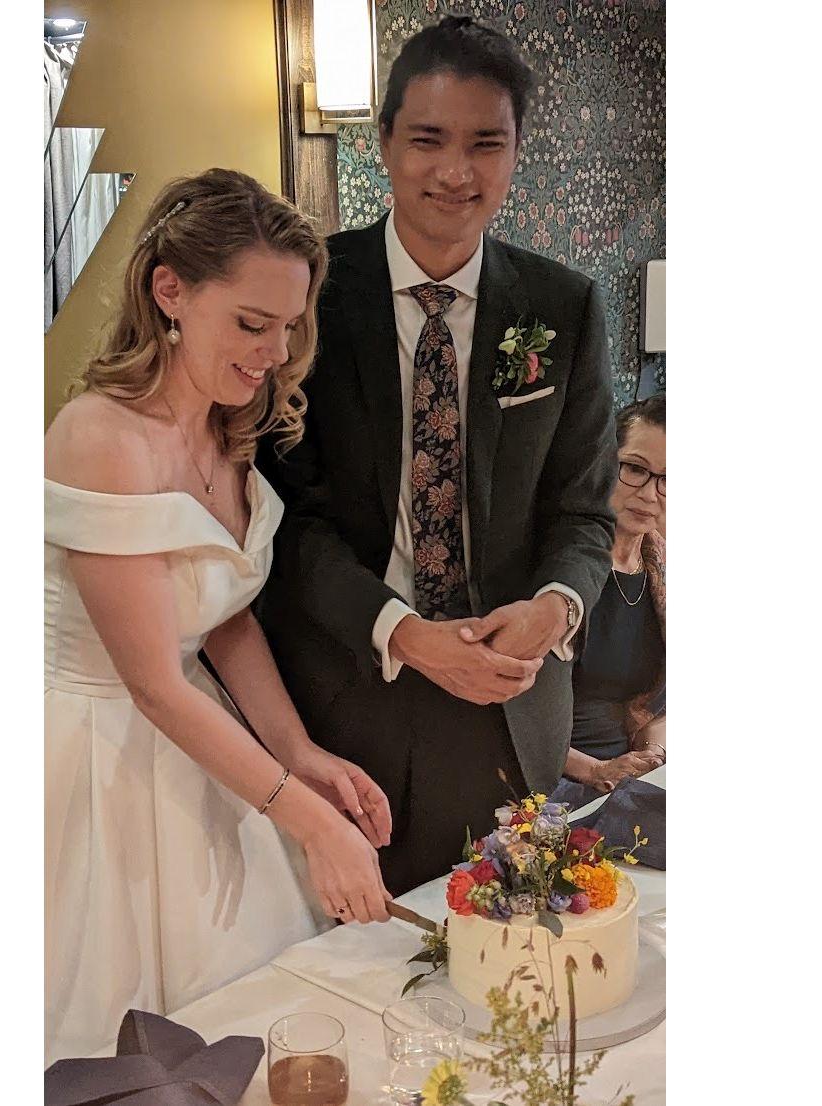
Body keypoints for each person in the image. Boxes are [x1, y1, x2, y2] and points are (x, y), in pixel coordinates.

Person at [258, 17, 617, 895]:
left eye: (485, 144)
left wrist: (556, 606)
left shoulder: (562, 305)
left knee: (508, 955)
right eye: (428, 140)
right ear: (383, 142)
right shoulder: (308, 296)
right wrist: (403, 633)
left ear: (516, 151)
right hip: (349, 696)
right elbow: (286, 524)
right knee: (356, 965)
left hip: (511, 703)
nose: (456, 173)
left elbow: (585, 511)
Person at [44, 169, 393, 1065]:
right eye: (251, 324)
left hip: (201, 738)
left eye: (288, 327)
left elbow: (227, 618)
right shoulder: (100, 437)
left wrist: (300, 754)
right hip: (99, 753)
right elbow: (157, 683)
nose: (275, 353)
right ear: (170, 290)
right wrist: (311, 824)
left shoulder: (227, 429)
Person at [562, 395, 666, 794]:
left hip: (624, 777)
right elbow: (509, 716)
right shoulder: (560, 571)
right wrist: (595, 771)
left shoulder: (664, 573)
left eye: (667, 480)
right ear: (602, 462)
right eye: (635, 469)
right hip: (549, 779)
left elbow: (659, 704)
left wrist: (653, 755)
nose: (649, 493)